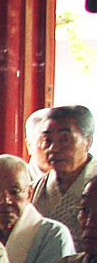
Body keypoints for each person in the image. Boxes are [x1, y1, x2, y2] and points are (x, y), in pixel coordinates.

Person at [32, 105, 96, 252]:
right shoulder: (35, 189)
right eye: (48, 140)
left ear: (87, 141)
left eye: (64, 139)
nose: (53, 148)